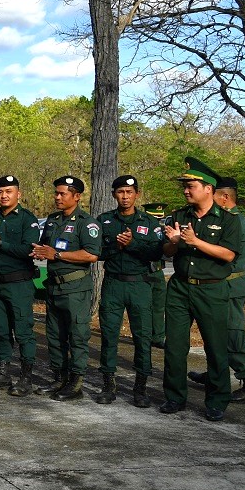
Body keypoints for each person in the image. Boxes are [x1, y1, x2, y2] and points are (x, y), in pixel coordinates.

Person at [160, 156, 243, 422]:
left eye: (191, 185)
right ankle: (174, 397)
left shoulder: (228, 219)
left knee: (216, 346)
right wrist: (173, 242)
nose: (185, 190)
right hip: (180, 288)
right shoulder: (179, 215)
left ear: (208, 188)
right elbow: (168, 251)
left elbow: (228, 254)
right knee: (174, 346)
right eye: (184, 186)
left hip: (212, 289)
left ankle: (217, 400)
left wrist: (195, 241)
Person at [188, 176, 245, 405]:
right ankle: (215, 375)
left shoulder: (235, 221)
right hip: (224, 285)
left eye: (214, 195)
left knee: (232, 336)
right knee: (216, 335)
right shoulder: (228, 220)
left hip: (229, 286)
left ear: (225, 197)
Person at [94, 175, 162, 408]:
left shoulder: (149, 222)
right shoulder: (104, 221)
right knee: (109, 334)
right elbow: (96, 252)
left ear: (137, 194)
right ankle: (108, 385)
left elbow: (156, 252)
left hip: (140, 284)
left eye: (129, 192)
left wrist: (132, 244)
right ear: (114, 194)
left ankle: (140, 388)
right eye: (121, 192)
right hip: (113, 283)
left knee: (142, 336)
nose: (125, 197)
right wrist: (117, 246)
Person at [31, 176, 101, 401]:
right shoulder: (52, 220)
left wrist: (57, 254)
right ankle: (59, 378)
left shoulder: (86, 223)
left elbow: (91, 254)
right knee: (54, 335)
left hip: (75, 289)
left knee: (77, 335)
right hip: (53, 287)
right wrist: (38, 251)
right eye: (56, 193)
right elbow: (44, 247)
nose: (57, 197)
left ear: (77, 196)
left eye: (62, 193)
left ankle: (76, 383)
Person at [0, 175, 40, 396]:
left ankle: (26, 378)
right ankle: (3, 374)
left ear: (18, 194)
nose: (3, 195)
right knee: (1, 331)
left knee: (23, 332)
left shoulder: (27, 219)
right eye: (0, 192)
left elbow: (27, 250)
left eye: (8, 191)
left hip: (19, 284)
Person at [142, 202, 170, 349]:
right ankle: (144, 335)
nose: (157, 222)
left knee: (159, 305)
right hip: (142, 271)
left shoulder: (164, 230)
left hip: (157, 271)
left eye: (159, 219)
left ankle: (158, 336)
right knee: (143, 307)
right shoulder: (140, 229)